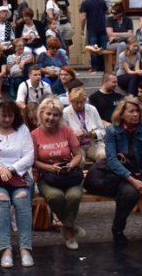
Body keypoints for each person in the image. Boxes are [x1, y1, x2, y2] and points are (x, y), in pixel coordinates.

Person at [95, 96, 142, 245]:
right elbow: (112, 160)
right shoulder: (113, 130)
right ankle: (118, 229)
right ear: (122, 113)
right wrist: (133, 181)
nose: (135, 114)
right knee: (130, 193)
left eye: (137, 111)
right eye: (131, 111)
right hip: (123, 174)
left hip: (141, 172)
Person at [0, 98, 35, 269]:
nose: (7, 119)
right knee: (1, 198)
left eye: (10, 116)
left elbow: (29, 156)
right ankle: (6, 249)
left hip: (20, 176)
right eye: (4, 116)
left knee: (22, 198)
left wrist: (11, 169)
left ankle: (25, 248)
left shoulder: (22, 130)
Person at [31, 96, 85, 250]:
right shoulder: (34, 134)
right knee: (55, 197)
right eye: (48, 114)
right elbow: (34, 161)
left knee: (74, 196)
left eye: (55, 115)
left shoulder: (66, 130)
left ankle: (66, 228)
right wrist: (51, 168)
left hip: (69, 175)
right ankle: (70, 229)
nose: (51, 118)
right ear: (41, 114)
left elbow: (79, 154)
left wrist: (70, 164)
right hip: (47, 177)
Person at [62, 86, 106, 162]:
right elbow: (63, 135)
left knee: (102, 155)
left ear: (85, 100)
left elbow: (102, 130)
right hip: (76, 146)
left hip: (93, 143)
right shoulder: (65, 112)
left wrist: (94, 134)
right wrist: (74, 136)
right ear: (71, 101)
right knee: (79, 160)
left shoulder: (92, 109)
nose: (79, 105)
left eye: (82, 102)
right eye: (76, 102)